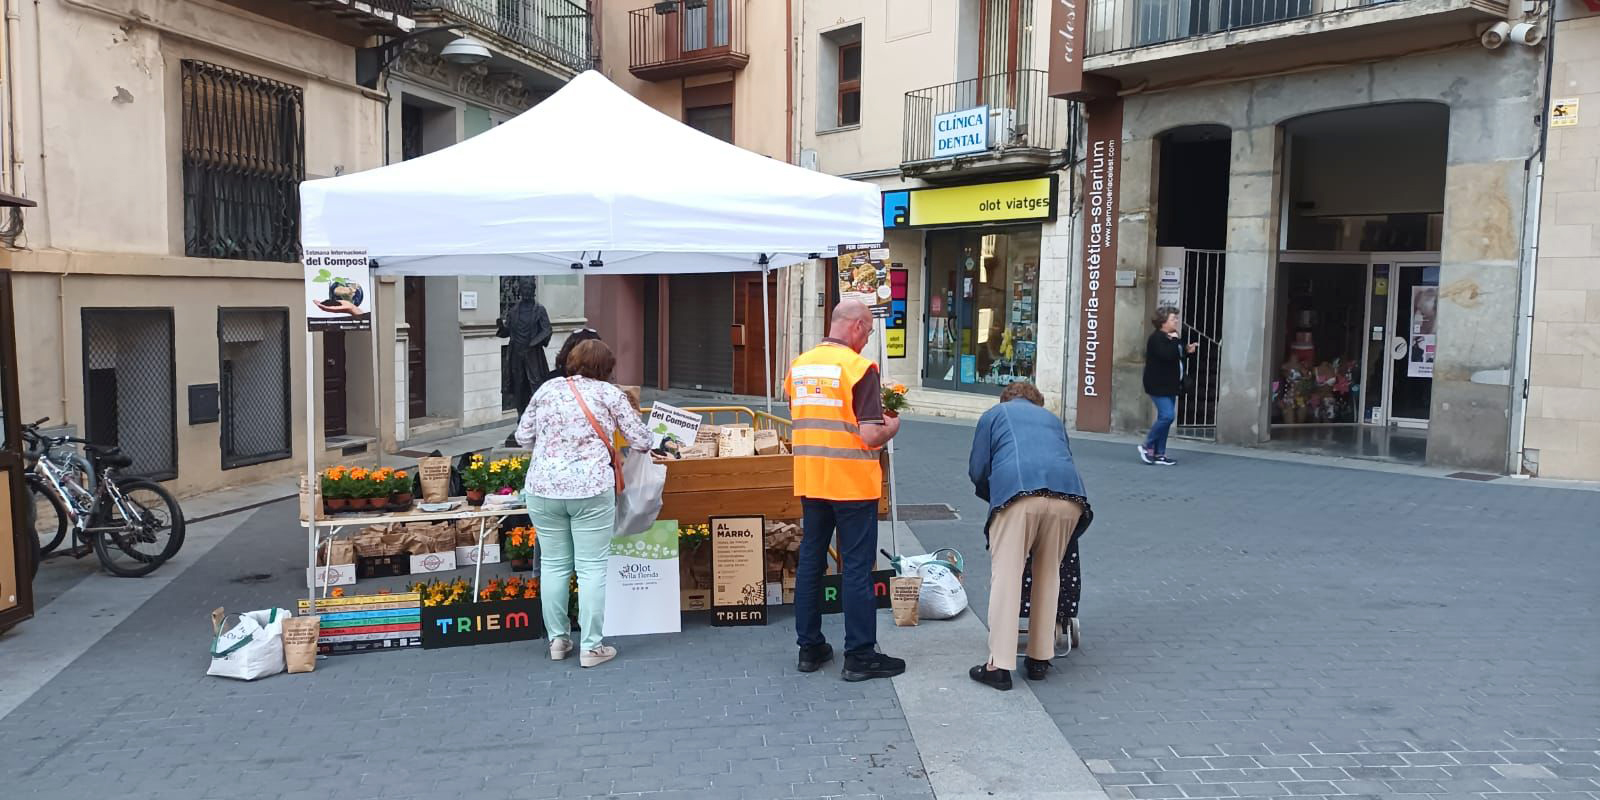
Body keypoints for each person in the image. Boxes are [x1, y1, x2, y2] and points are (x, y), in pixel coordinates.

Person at [515, 339, 650, 668]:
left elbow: (522, 437)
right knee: (591, 569)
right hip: (591, 489)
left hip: (543, 489)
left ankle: (558, 641)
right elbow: (642, 440)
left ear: (571, 361)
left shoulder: (547, 390)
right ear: (607, 368)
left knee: (553, 565)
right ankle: (591, 647)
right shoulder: (609, 394)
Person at [788, 300, 904, 682]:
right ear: (856, 326)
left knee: (811, 560)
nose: (867, 340)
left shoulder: (799, 366)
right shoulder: (859, 369)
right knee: (855, 567)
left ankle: (810, 648)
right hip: (852, 482)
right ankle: (860, 655)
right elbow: (870, 434)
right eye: (867, 332)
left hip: (811, 479)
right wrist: (892, 427)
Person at [967, 381, 1091, 691]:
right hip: (1069, 497)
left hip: (1018, 492)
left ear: (1005, 399)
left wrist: (996, 496)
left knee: (1007, 575)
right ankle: (1039, 658)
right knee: (1049, 573)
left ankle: (998, 666)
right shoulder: (1052, 420)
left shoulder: (994, 415)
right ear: (1037, 402)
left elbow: (978, 469)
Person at [498, 278, 553, 446]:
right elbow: (508, 331)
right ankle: (521, 422)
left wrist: (533, 342)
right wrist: (501, 328)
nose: (527, 291)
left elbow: (547, 330)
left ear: (533, 290)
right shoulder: (514, 310)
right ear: (521, 290)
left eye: (529, 288)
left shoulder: (539, 310)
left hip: (533, 356)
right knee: (519, 389)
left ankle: (537, 422)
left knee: (536, 388)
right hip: (516, 356)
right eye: (524, 288)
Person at [1139, 306, 1196, 466]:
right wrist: (1176, 341)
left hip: (1170, 384)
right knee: (1167, 416)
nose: (1176, 321)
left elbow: (1177, 354)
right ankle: (1147, 445)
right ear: (1163, 322)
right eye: (1173, 319)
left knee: (1165, 419)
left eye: (1176, 318)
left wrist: (1187, 350)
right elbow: (1168, 355)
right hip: (1158, 384)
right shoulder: (1157, 338)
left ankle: (1160, 454)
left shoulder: (1171, 337)